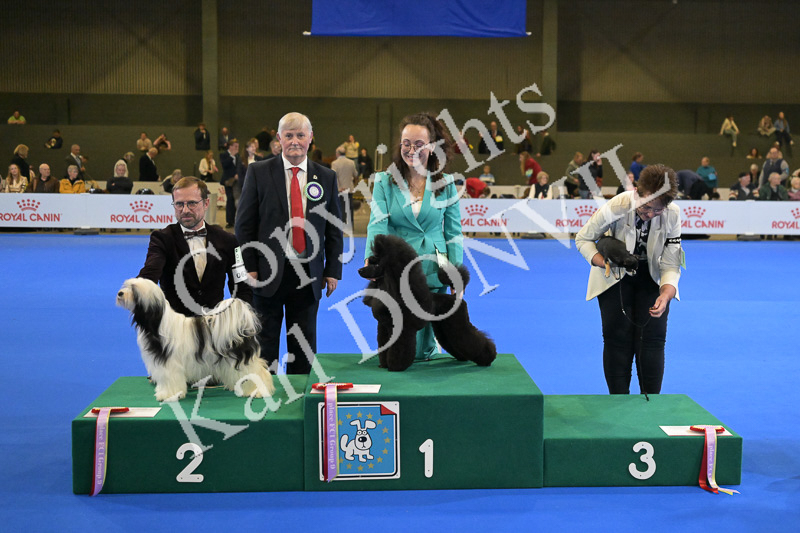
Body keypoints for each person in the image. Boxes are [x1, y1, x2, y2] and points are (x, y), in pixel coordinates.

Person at [235, 112, 343, 374]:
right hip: (266, 272)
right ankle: (263, 392)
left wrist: (332, 270)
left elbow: (333, 228)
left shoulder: (326, 177)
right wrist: (250, 267)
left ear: (310, 138)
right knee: (264, 345)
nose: (295, 141)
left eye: (300, 135)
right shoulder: (258, 172)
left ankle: (300, 395)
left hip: (308, 273)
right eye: (289, 135)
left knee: (303, 347)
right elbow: (244, 225)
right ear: (278, 138)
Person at [365, 111, 463, 364]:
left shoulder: (447, 183)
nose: (411, 150)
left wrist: (456, 271)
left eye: (419, 144)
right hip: (398, 268)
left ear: (432, 147)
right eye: (406, 143)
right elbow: (377, 224)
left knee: (426, 342)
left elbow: (453, 232)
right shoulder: (384, 181)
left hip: (434, 265)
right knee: (397, 334)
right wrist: (372, 258)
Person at [576, 164, 682, 395]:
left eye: (658, 210)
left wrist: (666, 294)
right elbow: (583, 239)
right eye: (646, 207)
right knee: (617, 338)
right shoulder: (617, 206)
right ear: (637, 192)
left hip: (651, 276)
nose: (650, 214)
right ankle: (618, 401)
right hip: (614, 274)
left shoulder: (673, 214)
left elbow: (671, 262)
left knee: (653, 339)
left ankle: (651, 403)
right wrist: (601, 261)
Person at [138, 177, 252, 318]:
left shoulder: (229, 240)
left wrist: (241, 318)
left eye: (192, 203)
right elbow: (151, 271)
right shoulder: (161, 238)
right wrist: (137, 287)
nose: (185, 210)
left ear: (206, 203)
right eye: (179, 204)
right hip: (175, 324)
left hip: (214, 324)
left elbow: (241, 284)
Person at [331, 146, 358, 228]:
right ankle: (350, 225)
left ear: (337, 153)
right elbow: (356, 174)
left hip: (340, 190)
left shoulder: (334, 163)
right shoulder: (351, 162)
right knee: (350, 208)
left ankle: (342, 226)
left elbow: (334, 177)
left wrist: (338, 187)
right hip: (349, 189)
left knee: (341, 208)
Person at [220, 138, 240, 228]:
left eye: (238, 146)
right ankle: (230, 221)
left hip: (237, 181)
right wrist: (232, 156)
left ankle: (237, 219)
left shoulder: (238, 156)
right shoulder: (224, 155)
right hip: (228, 181)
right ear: (230, 147)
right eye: (235, 146)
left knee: (237, 200)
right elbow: (225, 166)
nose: (237, 148)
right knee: (230, 199)